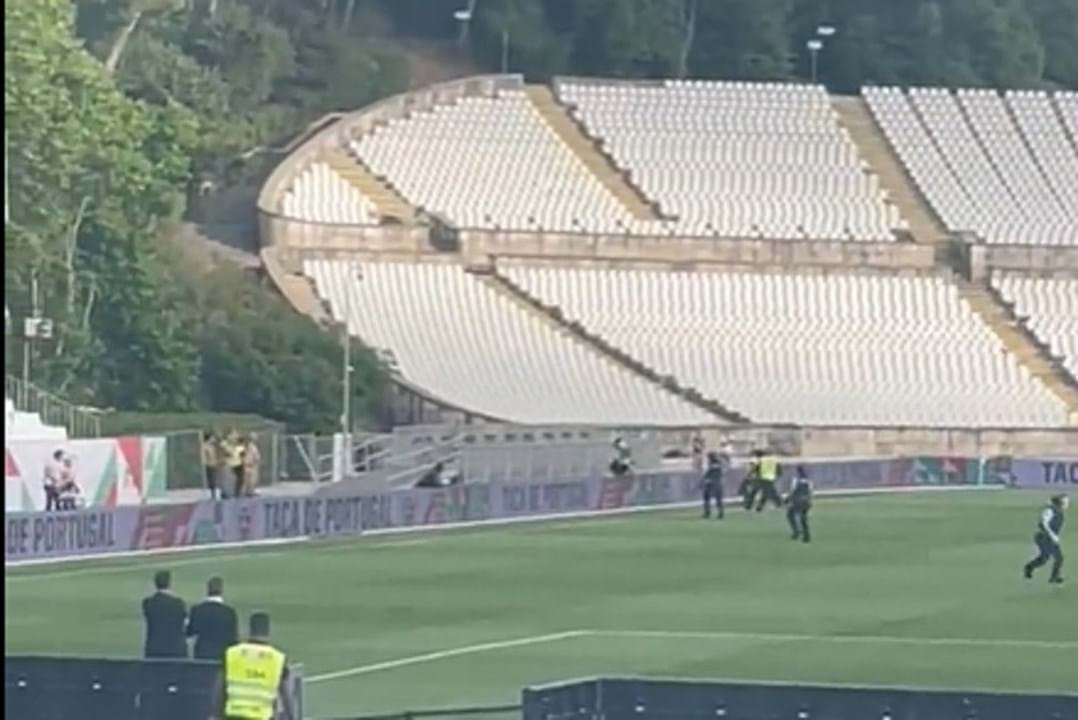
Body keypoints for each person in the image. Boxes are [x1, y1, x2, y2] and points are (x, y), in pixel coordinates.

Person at [218, 612, 294, 720]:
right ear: (268, 631)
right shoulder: (278, 658)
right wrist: (292, 716)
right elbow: (286, 695)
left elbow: (220, 689)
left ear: (250, 629)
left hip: (233, 715)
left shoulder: (232, 653)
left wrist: (216, 715)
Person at [187, 577, 239, 662]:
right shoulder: (229, 612)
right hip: (222, 656)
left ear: (207, 590)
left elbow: (189, 632)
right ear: (221, 591)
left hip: (202, 655)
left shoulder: (197, 610)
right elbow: (233, 640)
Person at [142, 570, 188, 659]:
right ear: (169, 583)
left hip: (154, 649)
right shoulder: (178, 604)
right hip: (176, 650)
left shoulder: (148, 603)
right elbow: (184, 624)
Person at [1024, 494, 1067, 585]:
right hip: (1044, 538)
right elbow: (1043, 523)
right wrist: (1052, 535)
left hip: (1050, 538)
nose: (1067, 503)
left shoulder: (1059, 511)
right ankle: (1053, 577)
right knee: (1054, 558)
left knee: (1050, 558)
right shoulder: (1050, 510)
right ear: (1060, 502)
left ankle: (1030, 568)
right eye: (1065, 501)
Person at [786, 465, 813, 543]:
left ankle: (796, 532)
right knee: (803, 519)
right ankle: (806, 536)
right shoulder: (809, 481)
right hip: (806, 502)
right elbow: (810, 492)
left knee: (790, 515)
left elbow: (792, 491)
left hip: (797, 501)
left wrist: (788, 499)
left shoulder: (795, 480)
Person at [701, 451, 725, 520]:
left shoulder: (711, 465)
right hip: (718, 483)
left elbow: (707, 474)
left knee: (706, 498)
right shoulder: (720, 464)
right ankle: (721, 513)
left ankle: (707, 513)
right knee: (718, 499)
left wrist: (705, 480)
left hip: (711, 483)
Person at [203, 432, 220, 500]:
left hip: (214, 464)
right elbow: (204, 457)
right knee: (211, 480)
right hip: (209, 465)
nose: (214, 439)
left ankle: (214, 493)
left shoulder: (212, 446)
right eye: (213, 438)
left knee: (214, 480)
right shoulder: (205, 446)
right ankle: (212, 494)